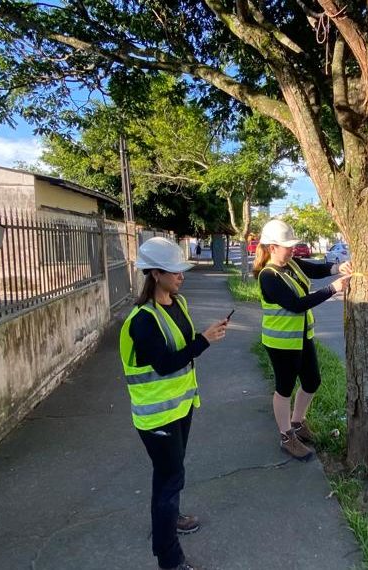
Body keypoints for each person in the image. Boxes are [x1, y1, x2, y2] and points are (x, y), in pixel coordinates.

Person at [119, 237, 229, 570]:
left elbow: (183, 346)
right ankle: (169, 558)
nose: (181, 276)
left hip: (180, 408)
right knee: (170, 480)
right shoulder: (142, 320)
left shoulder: (176, 303)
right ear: (154, 273)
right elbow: (166, 363)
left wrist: (202, 337)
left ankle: (167, 520)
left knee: (170, 475)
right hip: (156, 418)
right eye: (173, 271)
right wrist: (205, 341)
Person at [253, 220, 351, 460]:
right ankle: (287, 436)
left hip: (301, 337)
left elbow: (317, 269)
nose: (292, 249)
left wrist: (339, 267)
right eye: (287, 246)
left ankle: (297, 423)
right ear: (272, 247)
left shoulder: (292, 264)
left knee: (312, 381)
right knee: (284, 389)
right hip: (280, 343)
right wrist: (332, 289)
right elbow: (296, 305)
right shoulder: (268, 276)